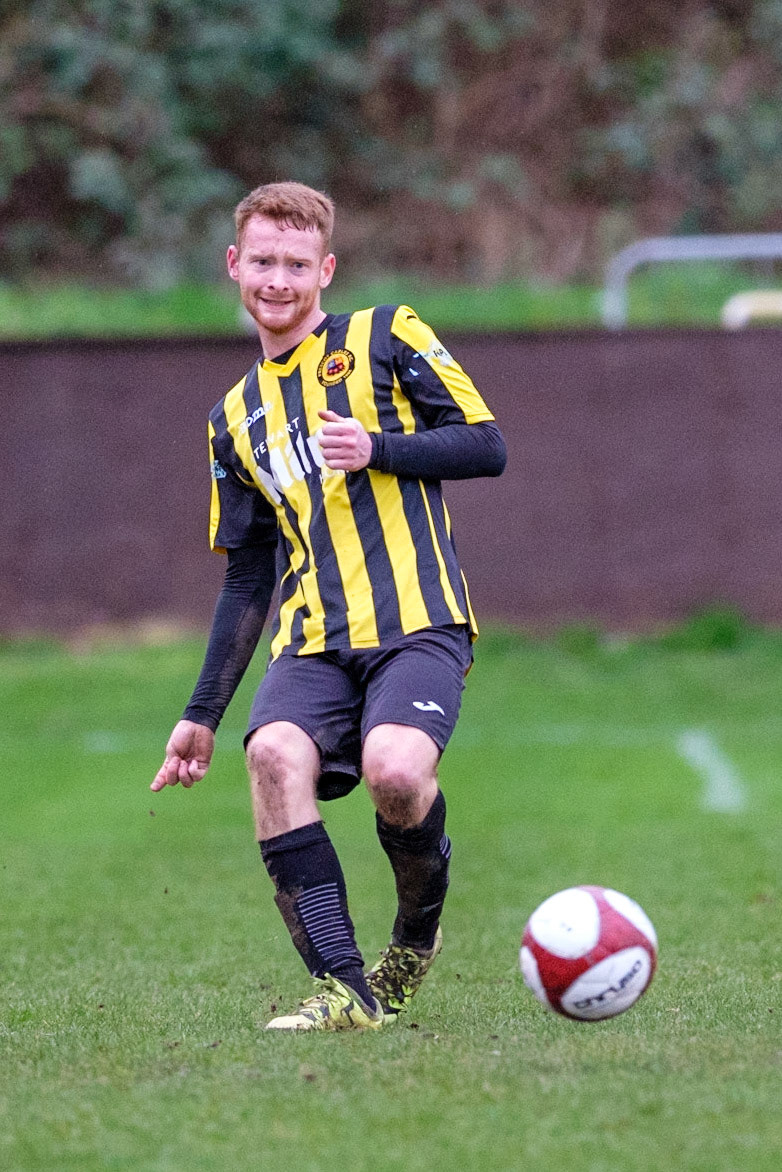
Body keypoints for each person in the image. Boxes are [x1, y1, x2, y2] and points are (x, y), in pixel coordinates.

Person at [151, 181, 507, 1031]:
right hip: (310, 638)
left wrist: (380, 447)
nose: (278, 279)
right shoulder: (232, 418)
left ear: (327, 269)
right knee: (271, 754)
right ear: (236, 265)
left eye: (297, 264)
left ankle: (414, 941)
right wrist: (201, 714)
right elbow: (247, 576)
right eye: (263, 261)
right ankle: (346, 990)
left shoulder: (387, 335)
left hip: (419, 622)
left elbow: (487, 445)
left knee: (395, 772)